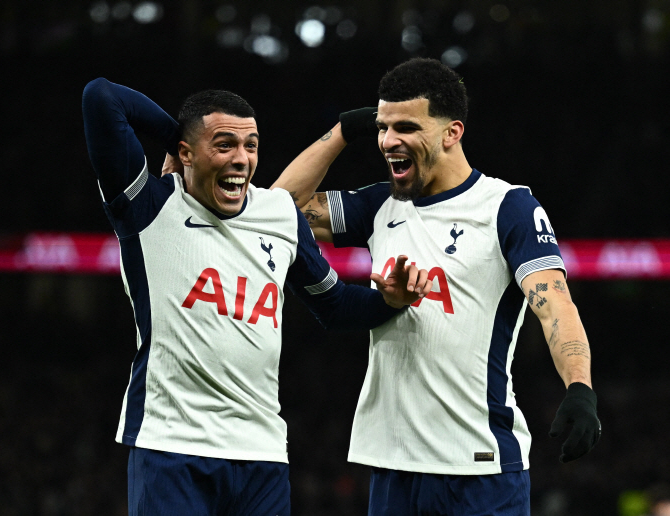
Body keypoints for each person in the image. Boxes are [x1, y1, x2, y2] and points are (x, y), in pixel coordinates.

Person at [81, 77, 433, 516]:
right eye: (224, 145)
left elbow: (336, 306)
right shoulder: (150, 206)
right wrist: (181, 136)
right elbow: (101, 97)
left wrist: (390, 301)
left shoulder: (279, 213)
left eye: (251, 145)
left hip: (262, 454)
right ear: (186, 152)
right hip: (171, 446)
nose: (242, 159)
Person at [271, 57, 601, 515]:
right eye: (383, 128)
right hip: (391, 463)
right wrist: (345, 130)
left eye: (406, 127)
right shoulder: (379, 205)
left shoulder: (507, 207)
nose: (388, 141)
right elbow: (276, 211)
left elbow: (554, 307)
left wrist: (579, 386)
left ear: (452, 132)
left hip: (480, 466)